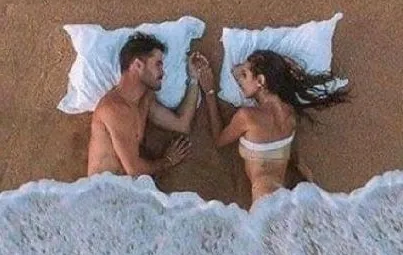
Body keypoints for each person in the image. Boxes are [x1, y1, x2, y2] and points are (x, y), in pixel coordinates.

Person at [195, 50, 348, 205]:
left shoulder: (247, 117)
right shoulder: (290, 113)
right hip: (284, 193)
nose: (240, 81)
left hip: (265, 197)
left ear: (261, 80)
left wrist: (209, 92)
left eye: (244, 75)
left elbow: (219, 140)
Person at [87, 33, 202, 178]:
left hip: (127, 189)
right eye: (158, 64)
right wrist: (166, 161)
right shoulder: (114, 109)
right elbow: (133, 170)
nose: (162, 72)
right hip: (103, 193)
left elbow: (182, 124)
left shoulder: (145, 100)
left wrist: (194, 79)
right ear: (138, 65)